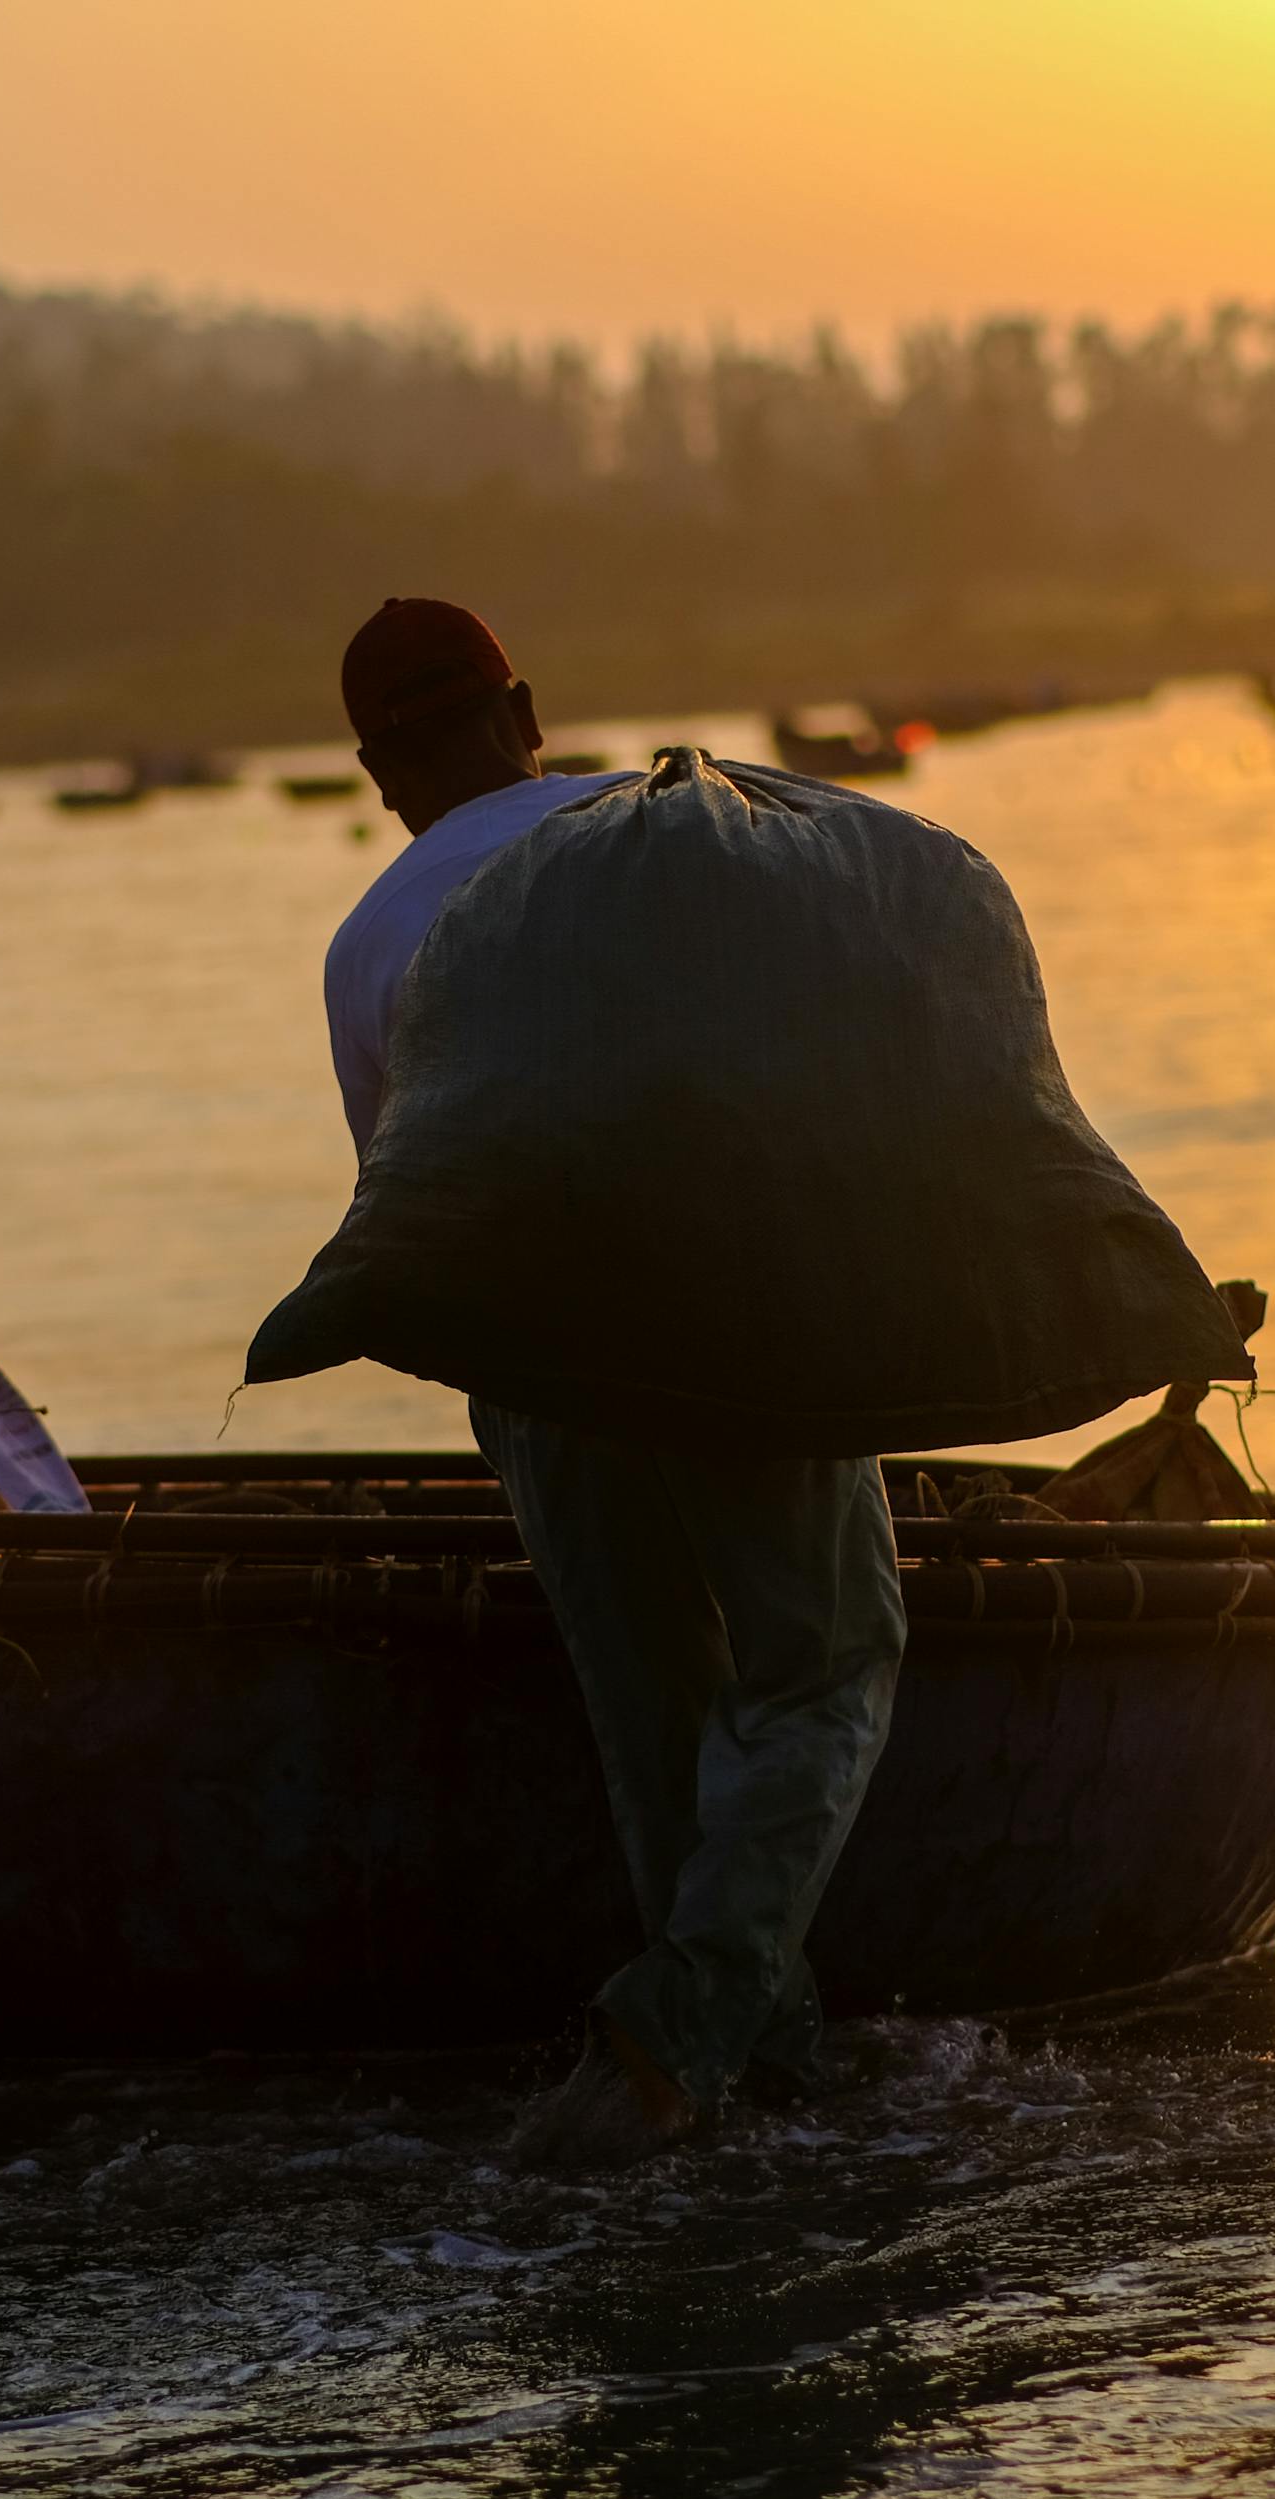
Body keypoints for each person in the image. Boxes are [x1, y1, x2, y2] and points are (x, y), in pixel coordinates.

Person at [321, 597, 909, 2170]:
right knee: (824, 1667)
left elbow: (406, 1211)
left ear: (380, 770)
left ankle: (733, 2079)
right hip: (749, 1320)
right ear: (525, 709)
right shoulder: (672, 841)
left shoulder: (371, 942)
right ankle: (689, 2023)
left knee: (655, 1726)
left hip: (537, 1366)